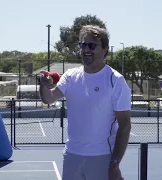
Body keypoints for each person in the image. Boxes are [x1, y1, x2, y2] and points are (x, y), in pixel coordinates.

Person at [39, 25, 132, 180]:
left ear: (105, 50)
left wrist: (115, 164)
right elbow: (48, 98)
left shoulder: (115, 80)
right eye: (83, 45)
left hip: (101, 157)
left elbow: (125, 125)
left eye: (92, 45)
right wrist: (44, 84)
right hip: (71, 156)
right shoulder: (70, 76)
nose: (85, 49)